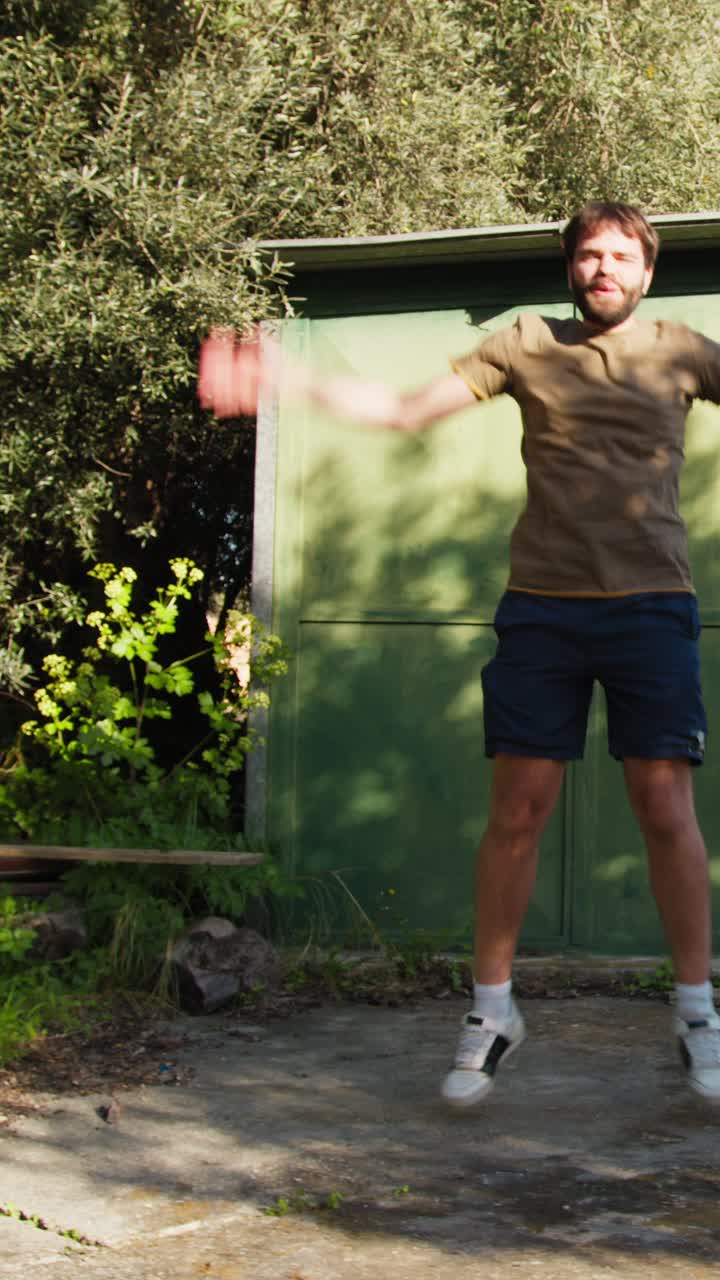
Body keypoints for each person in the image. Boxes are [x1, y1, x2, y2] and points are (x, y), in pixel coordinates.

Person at [198, 201, 720, 1105]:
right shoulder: (523, 343)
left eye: (622, 255)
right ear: (572, 269)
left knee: (663, 802)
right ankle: (491, 1010)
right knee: (517, 809)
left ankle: (696, 1009)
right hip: (543, 612)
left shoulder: (682, 349)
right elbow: (405, 413)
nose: (605, 269)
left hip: (651, 607)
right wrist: (289, 382)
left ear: (647, 270)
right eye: (591, 255)